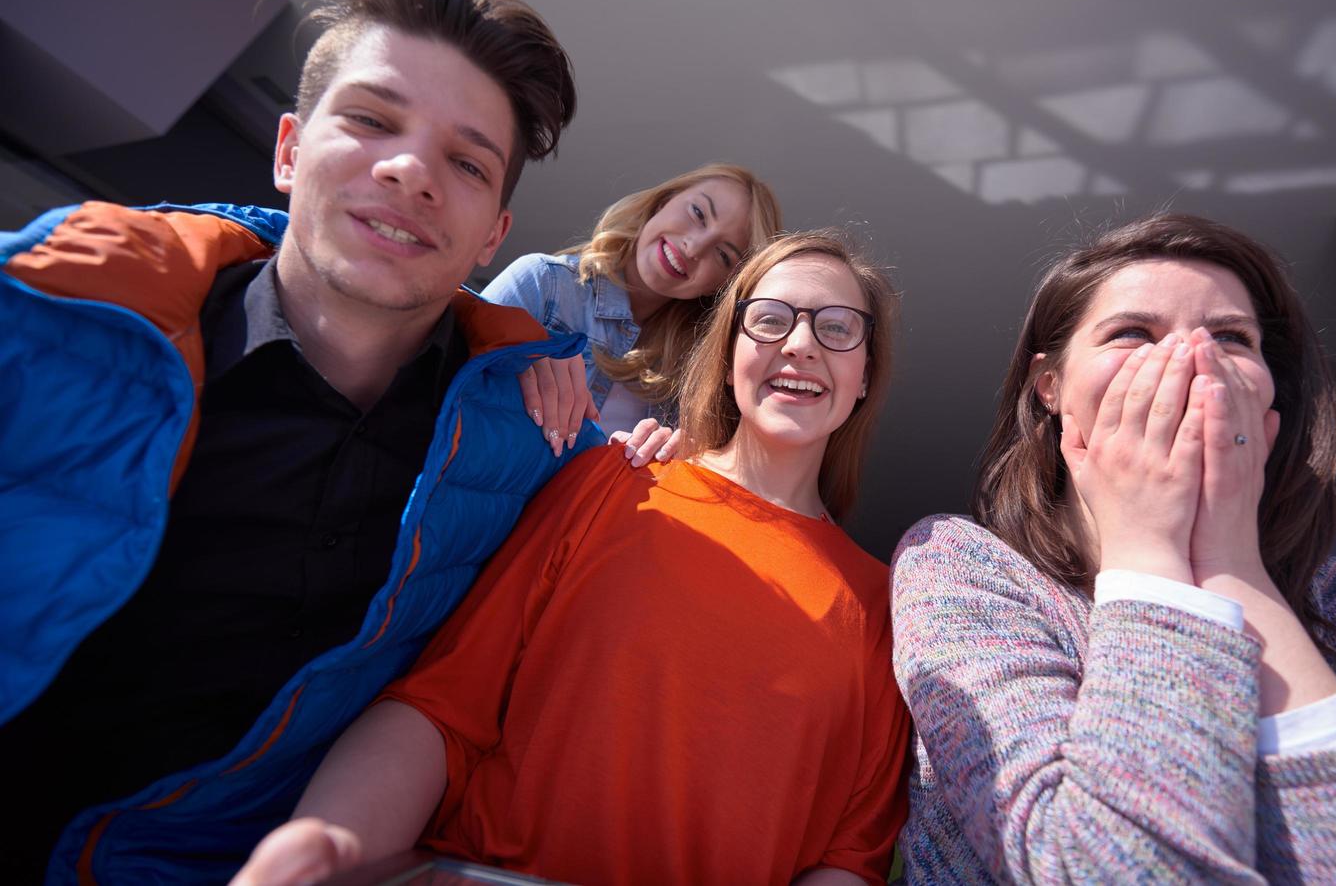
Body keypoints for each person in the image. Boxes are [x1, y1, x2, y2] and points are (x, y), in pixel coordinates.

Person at [0, 0, 583, 883]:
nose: (411, 171)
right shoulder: (53, 315)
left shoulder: (525, 443)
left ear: (495, 236)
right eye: (371, 120)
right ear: (288, 148)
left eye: (468, 164)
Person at [232, 230, 910, 886]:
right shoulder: (613, 484)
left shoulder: (889, 608)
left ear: (864, 375)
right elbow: (445, 706)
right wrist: (327, 850)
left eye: (836, 328)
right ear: (729, 352)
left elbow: (848, 858)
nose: (798, 344)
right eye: (768, 319)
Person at [889, 213, 1336, 884]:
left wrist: (1231, 564)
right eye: (1132, 333)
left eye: (1230, 337)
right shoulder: (963, 568)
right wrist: (1146, 547)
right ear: (1048, 386)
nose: (1193, 360)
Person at [482, 163, 781, 461]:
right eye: (698, 213)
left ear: (723, 286)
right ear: (663, 201)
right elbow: (446, 386)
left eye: (723, 254)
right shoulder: (542, 283)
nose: (693, 247)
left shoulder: (697, 373)